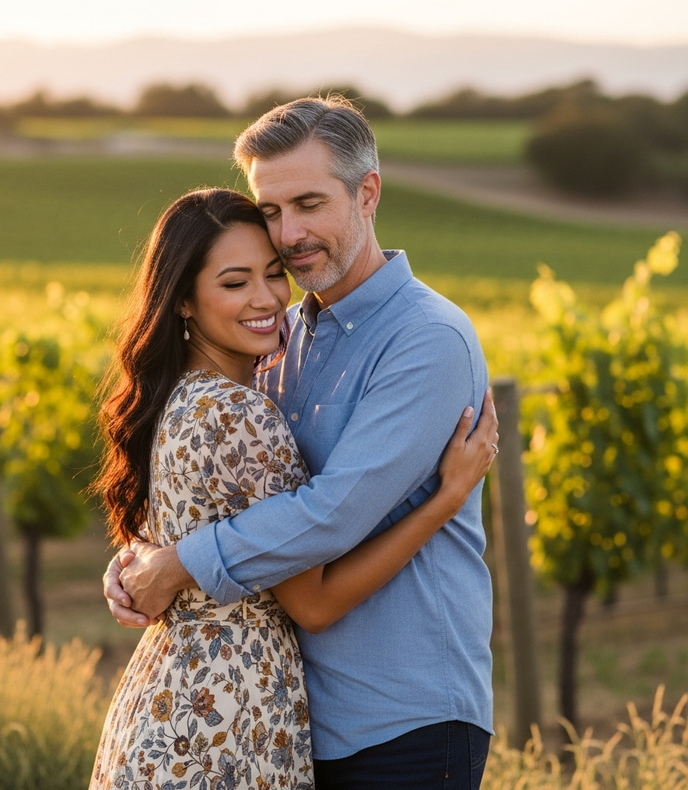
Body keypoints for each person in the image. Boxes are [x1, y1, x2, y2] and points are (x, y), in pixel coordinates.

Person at [105, 96, 497, 789]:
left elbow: (331, 514)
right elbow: (228, 483)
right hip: (289, 721)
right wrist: (140, 554)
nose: (289, 234)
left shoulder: (425, 340)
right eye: (272, 210)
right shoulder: (278, 337)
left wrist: (179, 565)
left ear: (367, 192)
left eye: (309, 204)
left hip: (403, 721)